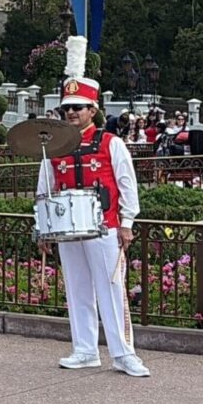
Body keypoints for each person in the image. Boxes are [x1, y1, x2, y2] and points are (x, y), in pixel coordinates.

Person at [35, 37, 148, 378]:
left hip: (104, 225)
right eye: (67, 107)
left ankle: (123, 352)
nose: (71, 112)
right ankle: (84, 349)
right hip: (67, 229)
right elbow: (45, 189)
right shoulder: (52, 147)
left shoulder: (110, 142)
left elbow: (127, 185)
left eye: (79, 107)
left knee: (112, 289)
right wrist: (41, 228)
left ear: (93, 110)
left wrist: (127, 222)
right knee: (78, 288)